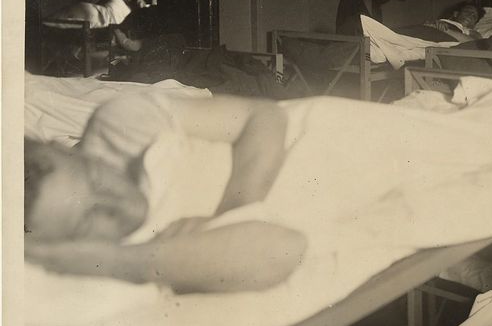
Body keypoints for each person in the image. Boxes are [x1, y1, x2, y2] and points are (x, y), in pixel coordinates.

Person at [24, 92, 307, 294]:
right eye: (89, 220)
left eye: (96, 180)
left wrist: (233, 214)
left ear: (62, 148)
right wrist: (112, 261)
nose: (116, 203)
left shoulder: (119, 125)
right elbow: (280, 252)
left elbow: (265, 115)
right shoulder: (130, 254)